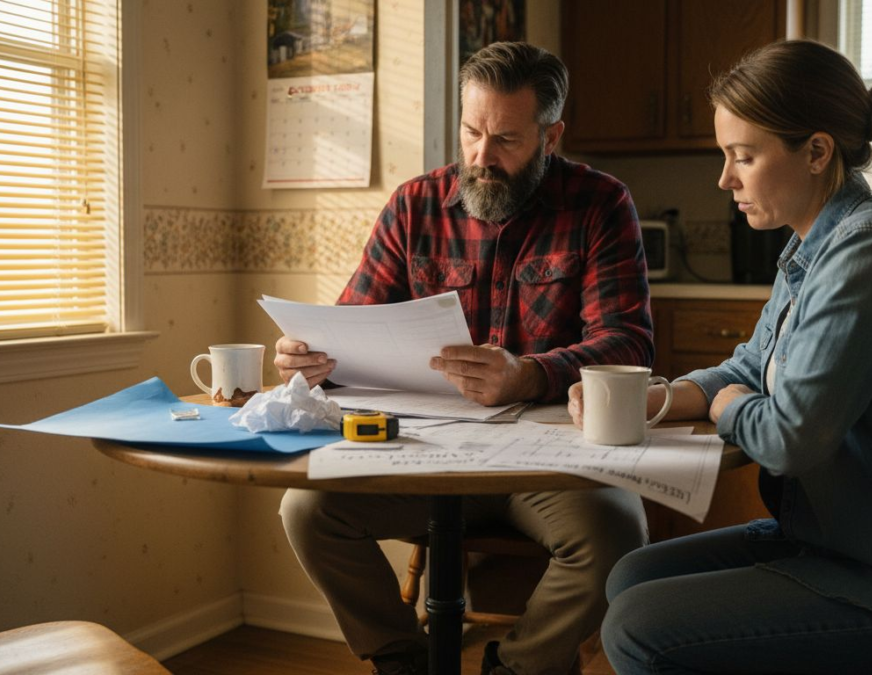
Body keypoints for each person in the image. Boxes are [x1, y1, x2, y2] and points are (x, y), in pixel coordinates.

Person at [569, 39, 872, 674]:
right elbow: (748, 367)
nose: (725, 179)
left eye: (743, 156)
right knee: (632, 575)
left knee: (639, 627)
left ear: (817, 151)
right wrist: (652, 395)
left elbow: (790, 437)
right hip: (840, 542)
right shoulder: (812, 247)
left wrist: (726, 405)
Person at [277, 42, 654, 675]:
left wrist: (528, 374)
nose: (482, 157)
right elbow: (353, 326)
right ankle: (405, 662)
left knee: (616, 534)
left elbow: (627, 341)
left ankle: (515, 668)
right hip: (424, 454)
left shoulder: (600, 205)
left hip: (548, 457)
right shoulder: (413, 206)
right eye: (472, 132)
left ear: (551, 135)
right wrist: (314, 357)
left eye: (506, 139)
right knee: (306, 510)